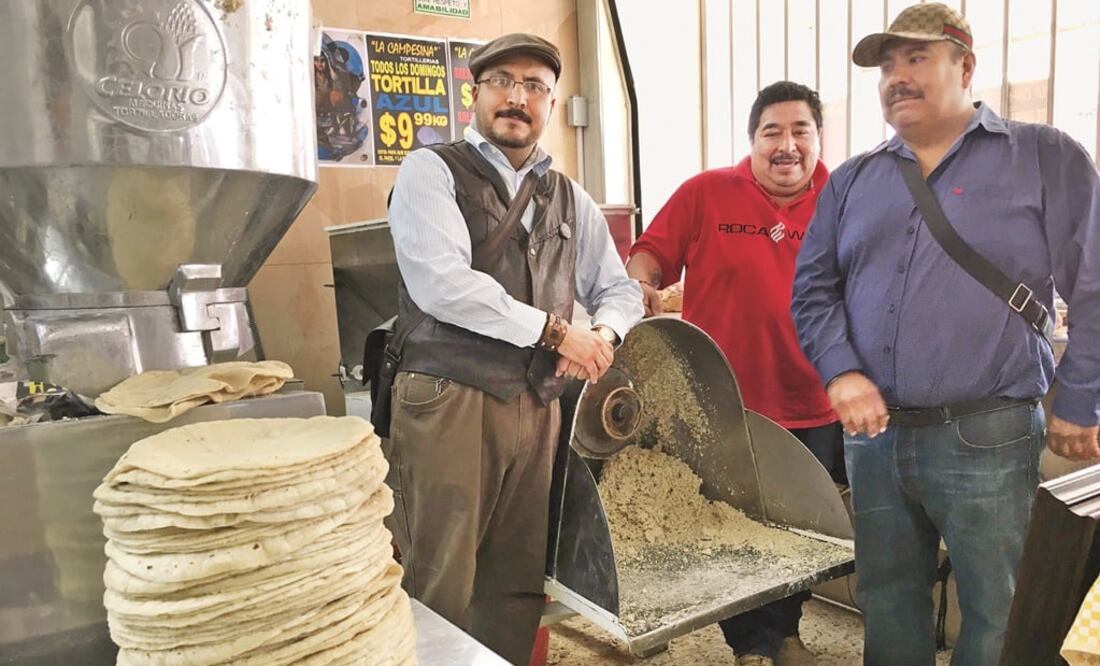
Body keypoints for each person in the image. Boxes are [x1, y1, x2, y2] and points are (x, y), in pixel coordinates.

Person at [791, 3, 1100, 664]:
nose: (895, 76)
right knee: (888, 599)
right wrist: (841, 371)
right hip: (874, 441)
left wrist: (1080, 401)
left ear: (965, 65)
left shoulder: (1042, 156)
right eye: (886, 64)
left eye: (916, 57)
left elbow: (1095, 285)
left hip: (988, 432)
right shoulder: (852, 181)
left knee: (1000, 609)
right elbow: (813, 290)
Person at [385, 33, 643, 664]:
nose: (517, 97)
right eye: (502, 81)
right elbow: (443, 284)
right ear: (475, 93)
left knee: (517, 582)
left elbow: (620, 289)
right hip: (449, 396)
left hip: (538, 403)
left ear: (551, 104)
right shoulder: (431, 170)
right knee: (438, 576)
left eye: (534, 87)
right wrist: (560, 334)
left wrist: (603, 335)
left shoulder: (569, 196)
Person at [627, 81, 843, 666]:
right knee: (734, 526)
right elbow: (648, 255)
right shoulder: (706, 193)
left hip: (815, 397)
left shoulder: (842, 197)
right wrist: (641, 282)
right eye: (772, 131)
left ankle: (787, 632)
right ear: (751, 140)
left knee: (802, 530)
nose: (787, 144)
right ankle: (751, 644)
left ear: (819, 139)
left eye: (801, 130)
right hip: (722, 401)